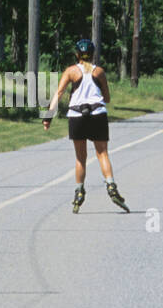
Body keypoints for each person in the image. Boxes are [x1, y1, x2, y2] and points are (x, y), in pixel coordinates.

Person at [43, 38, 129, 214]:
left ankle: (79, 191)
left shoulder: (71, 71)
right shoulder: (100, 72)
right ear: (93, 54)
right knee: (102, 153)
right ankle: (111, 186)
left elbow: (58, 93)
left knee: (80, 157)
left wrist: (48, 117)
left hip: (76, 116)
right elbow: (107, 99)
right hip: (97, 114)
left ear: (77, 54)